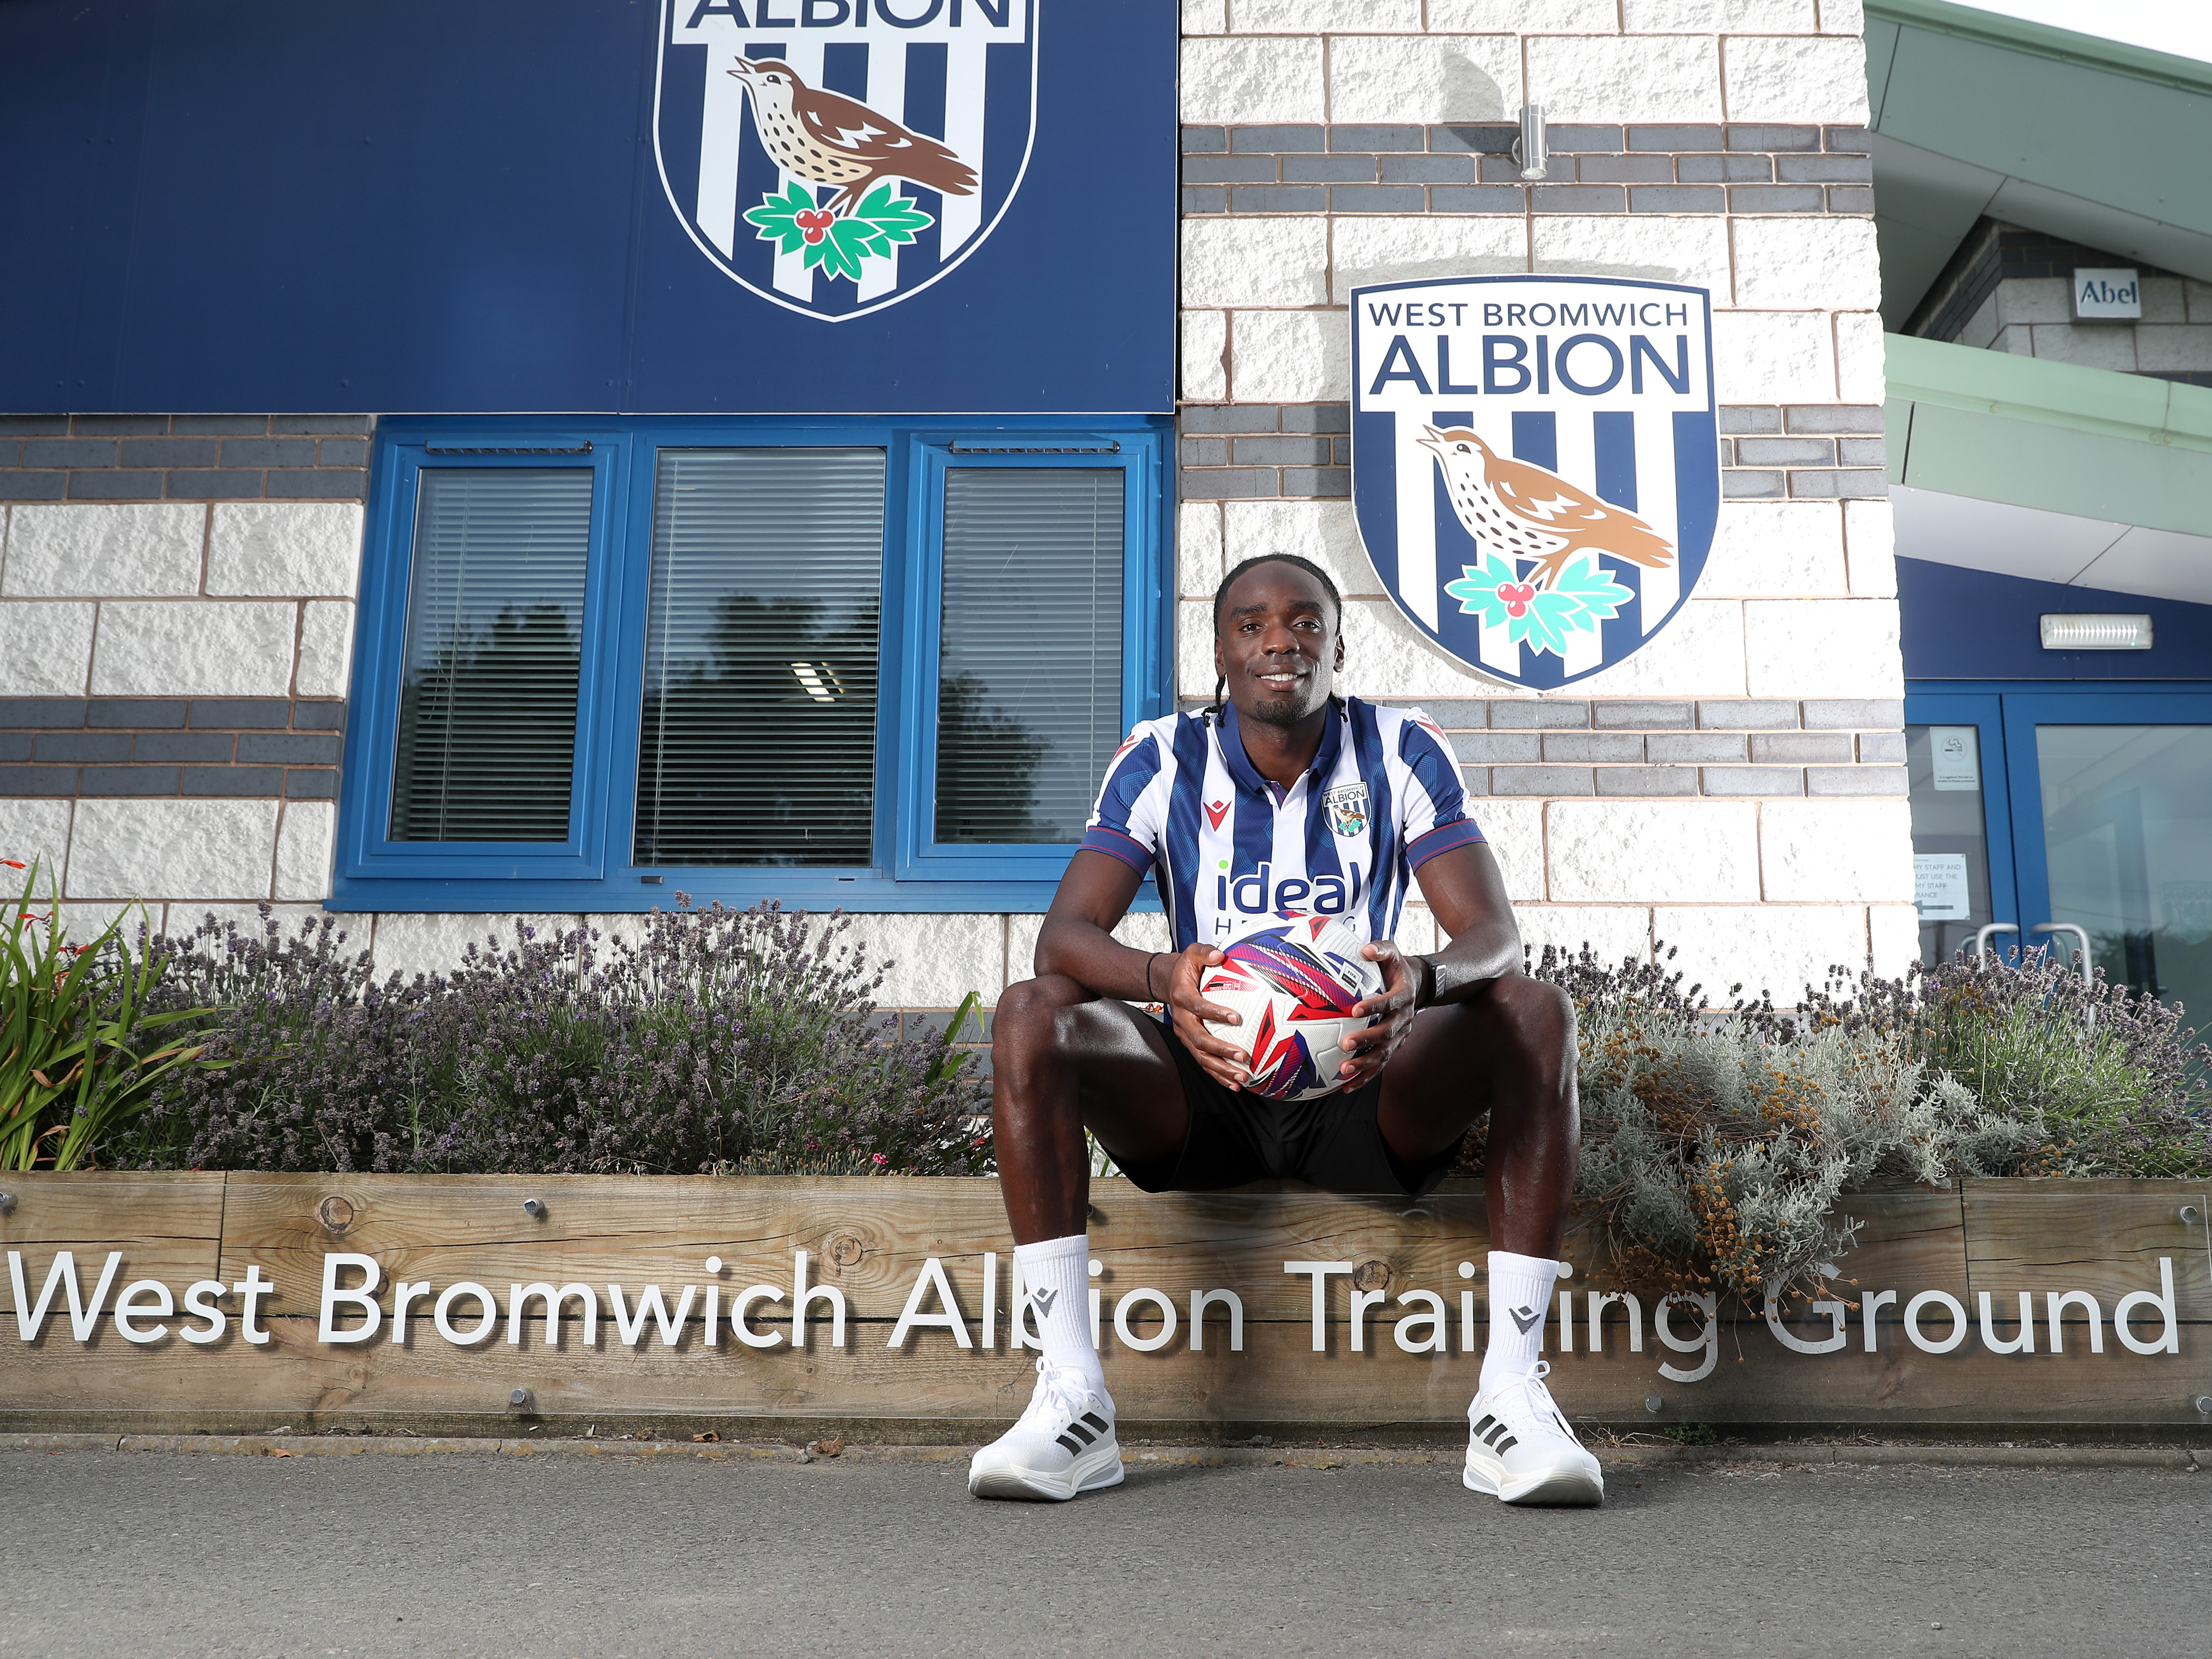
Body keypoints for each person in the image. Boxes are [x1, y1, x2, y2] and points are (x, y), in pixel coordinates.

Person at [968, 552, 1601, 1507]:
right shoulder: (1161, 756)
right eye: (1254, 624)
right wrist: (1159, 978)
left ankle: (1512, 1395)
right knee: (1029, 1013)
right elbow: (1065, 936)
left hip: (1363, 1087)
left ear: (1337, 646)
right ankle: (1071, 1400)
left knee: (1533, 1010)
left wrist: (1418, 981)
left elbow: (1495, 938)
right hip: (1204, 1084)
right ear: (1220, 651)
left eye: (1306, 622)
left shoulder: (1401, 749)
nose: (1280, 641)